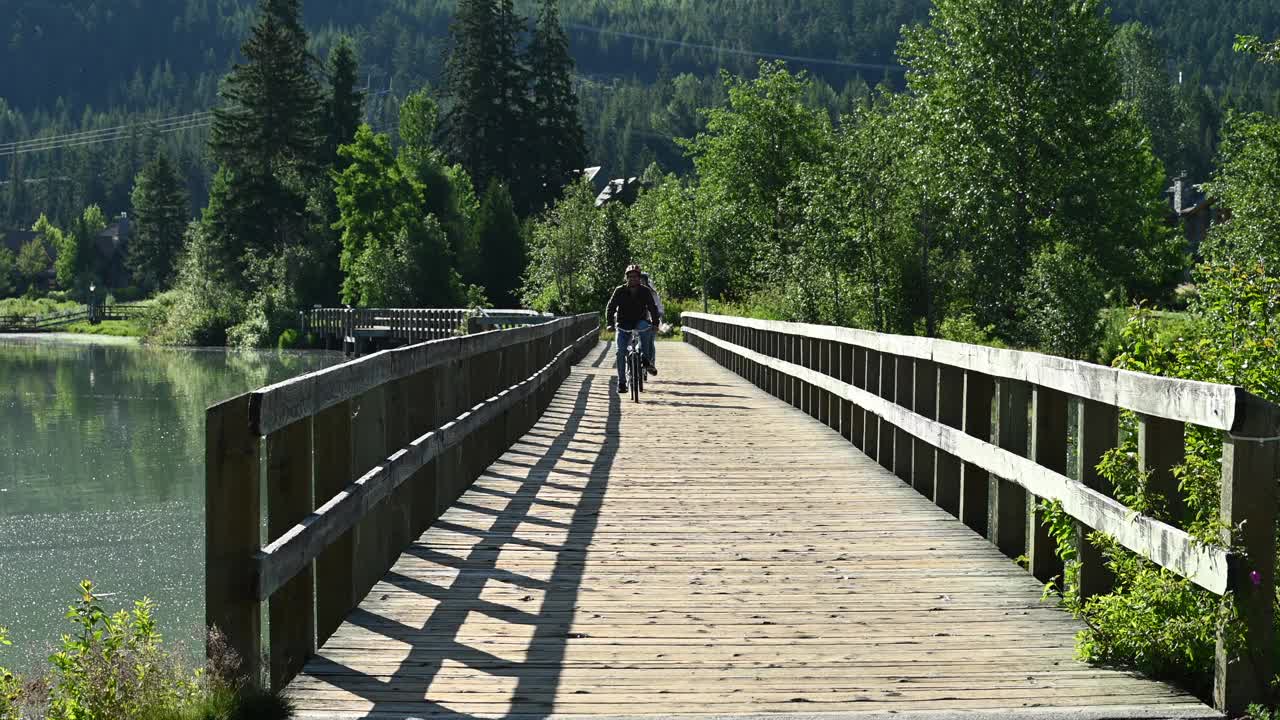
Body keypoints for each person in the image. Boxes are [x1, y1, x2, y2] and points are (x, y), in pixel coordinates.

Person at [605, 264, 661, 393]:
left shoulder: (645, 291)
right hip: (623, 323)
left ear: (639, 278)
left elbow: (653, 307)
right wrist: (609, 324)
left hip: (640, 321)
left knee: (646, 333)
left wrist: (655, 323)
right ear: (626, 278)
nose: (633, 279)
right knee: (620, 352)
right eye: (630, 277)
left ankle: (645, 359)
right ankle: (622, 383)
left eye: (635, 276)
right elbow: (611, 307)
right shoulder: (619, 290)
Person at [640, 271, 663, 366]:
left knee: (650, 342)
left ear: (646, 282)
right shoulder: (631, 291)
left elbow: (658, 307)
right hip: (638, 321)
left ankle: (651, 362)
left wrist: (656, 318)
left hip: (651, 321)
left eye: (643, 281)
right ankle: (632, 363)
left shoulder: (652, 293)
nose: (641, 283)